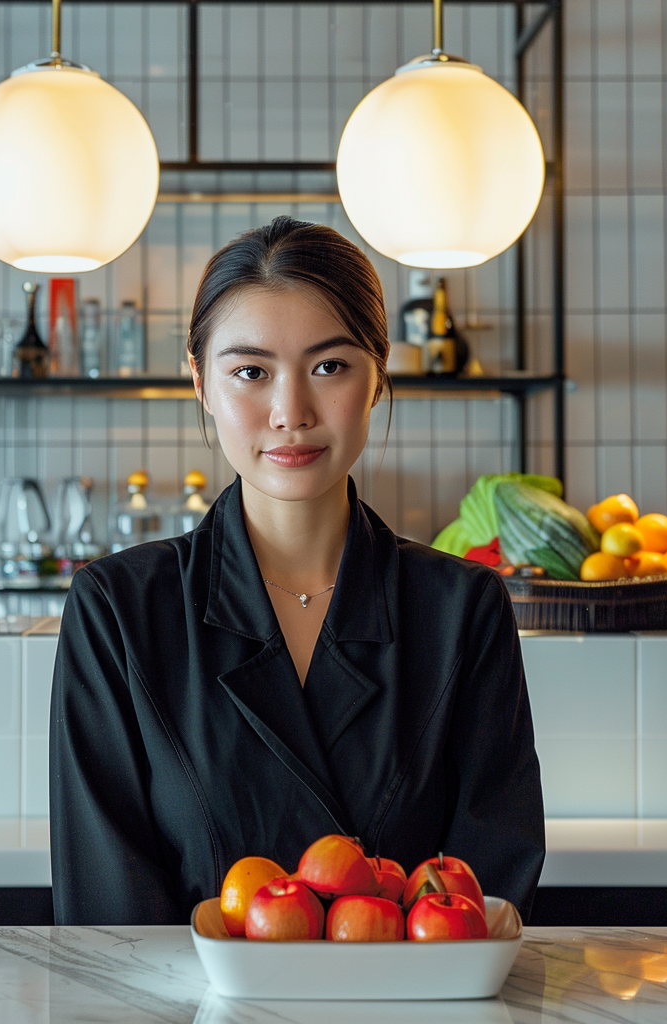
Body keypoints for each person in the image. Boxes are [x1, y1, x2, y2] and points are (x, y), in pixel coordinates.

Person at [49, 216, 544, 926]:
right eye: (251, 372)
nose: (291, 412)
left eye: (330, 367)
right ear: (201, 383)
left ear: (377, 375)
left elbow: (485, 889)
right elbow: (106, 909)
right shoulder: (119, 611)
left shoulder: (463, 608)